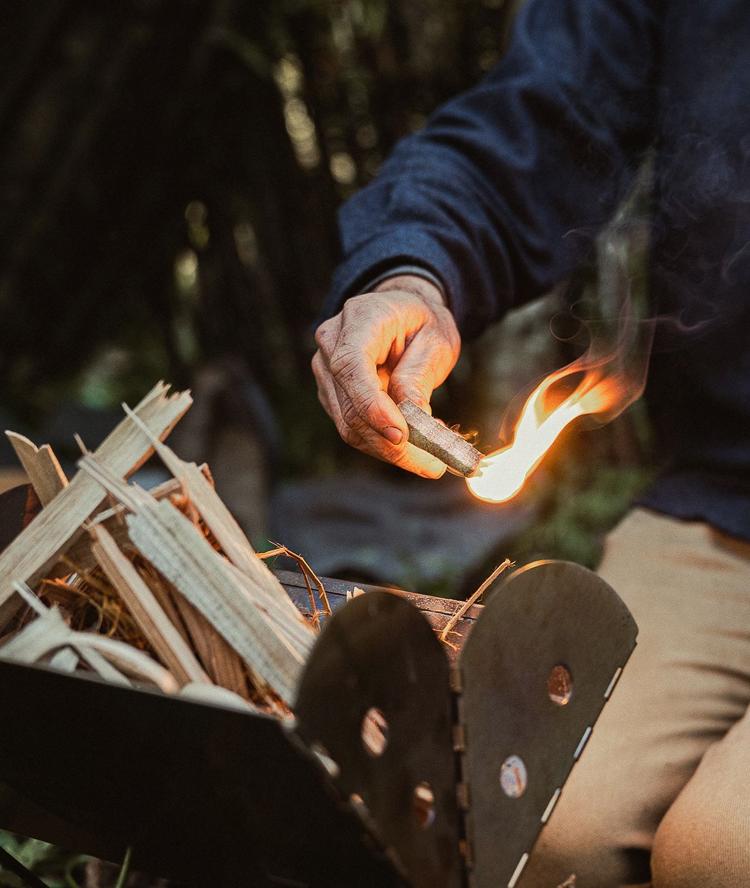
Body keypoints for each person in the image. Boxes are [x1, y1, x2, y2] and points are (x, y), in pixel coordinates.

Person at [311, 1, 750, 886]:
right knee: (538, 814)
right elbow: (537, 119)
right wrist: (412, 271)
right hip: (725, 500)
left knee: (718, 852)